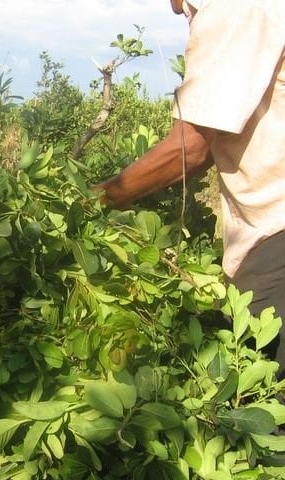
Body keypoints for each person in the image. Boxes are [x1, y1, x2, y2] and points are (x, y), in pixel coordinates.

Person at [97, 0, 285, 375]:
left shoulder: (232, 9)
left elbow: (192, 148)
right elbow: (218, 134)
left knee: (255, 397)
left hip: (278, 232)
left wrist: (95, 199)